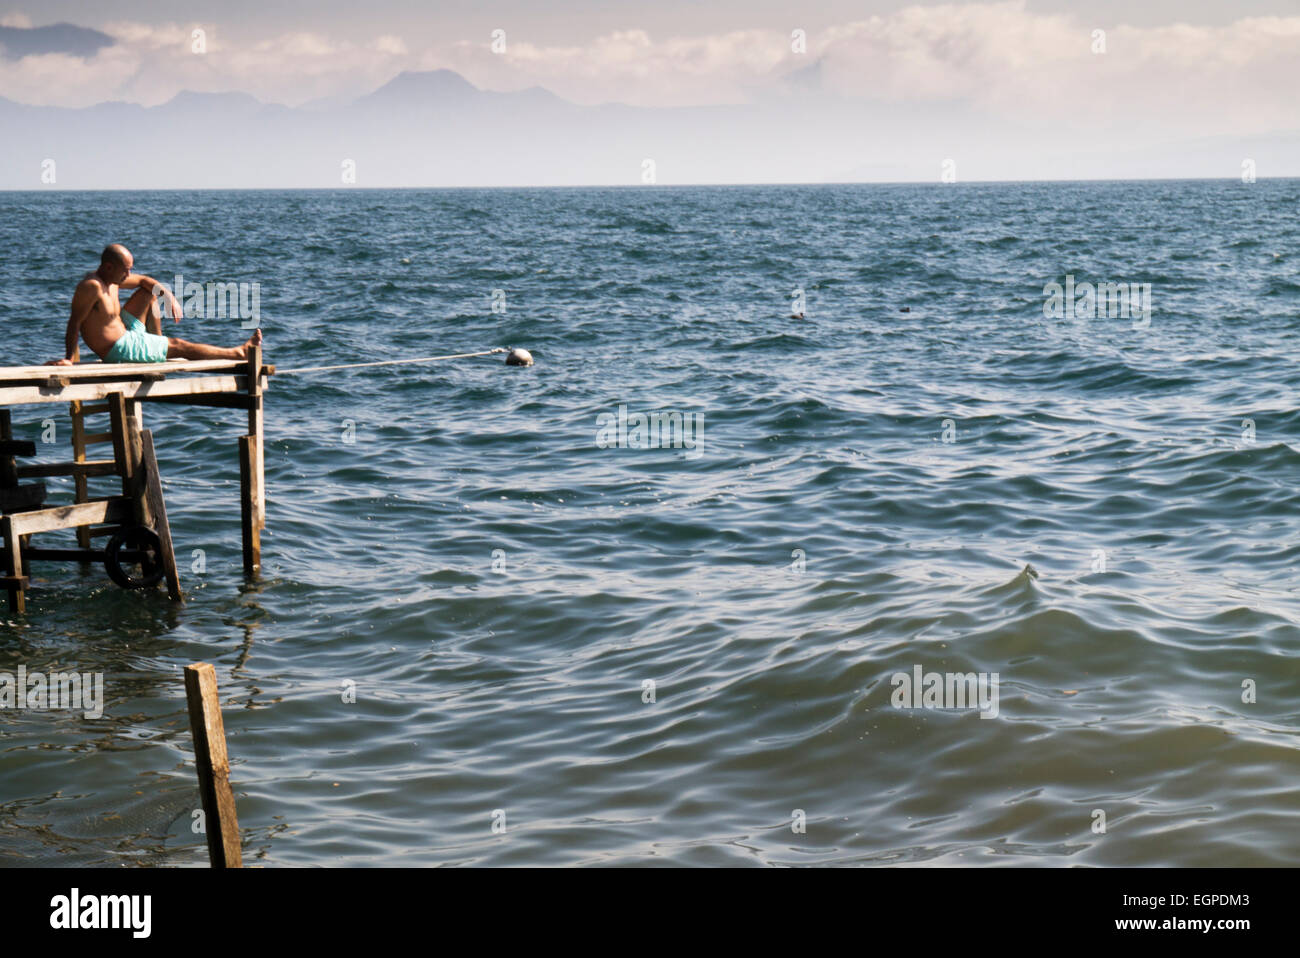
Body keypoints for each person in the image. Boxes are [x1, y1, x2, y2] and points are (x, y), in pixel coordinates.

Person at [47, 244, 262, 366]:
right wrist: (69, 360)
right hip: (119, 348)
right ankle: (238, 353)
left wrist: (168, 296)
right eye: (126, 270)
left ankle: (156, 344)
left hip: (129, 334)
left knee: (149, 292)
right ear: (109, 267)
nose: (129, 275)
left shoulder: (112, 280)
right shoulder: (91, 287)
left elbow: (144, 281)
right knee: (179, 346)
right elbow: (74, 324)